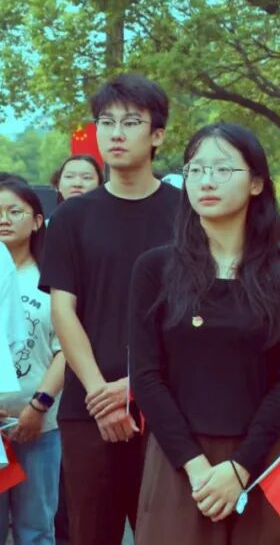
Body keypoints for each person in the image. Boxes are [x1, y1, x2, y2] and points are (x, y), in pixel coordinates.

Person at [129, 122, 280, 544]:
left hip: (266, 456)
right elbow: (147, 376)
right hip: (180, 461)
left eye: (223, 169)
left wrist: (240, 468)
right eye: (196, 169)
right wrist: (197, 469)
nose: (206, 181)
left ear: (257, 183)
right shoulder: (155, 269)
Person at [39, 73, 181, 545]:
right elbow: (63, 311)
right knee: (89, 533)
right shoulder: (71, 216)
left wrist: (136, 385)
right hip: (89, 406)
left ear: (157, 135)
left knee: (166, 534)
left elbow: (193, 315)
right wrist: (101, 391)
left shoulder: (188, 214)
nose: (116, 133)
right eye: (107, 121)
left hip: (168, 405)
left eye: (131, 122)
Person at [0, 179, 65, 545]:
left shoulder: (53, 279)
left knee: (36, 529)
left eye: (14, 211)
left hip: (40, 424)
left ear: (38, 221)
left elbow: (66, 350)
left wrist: (38, 406)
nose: (4, 220)